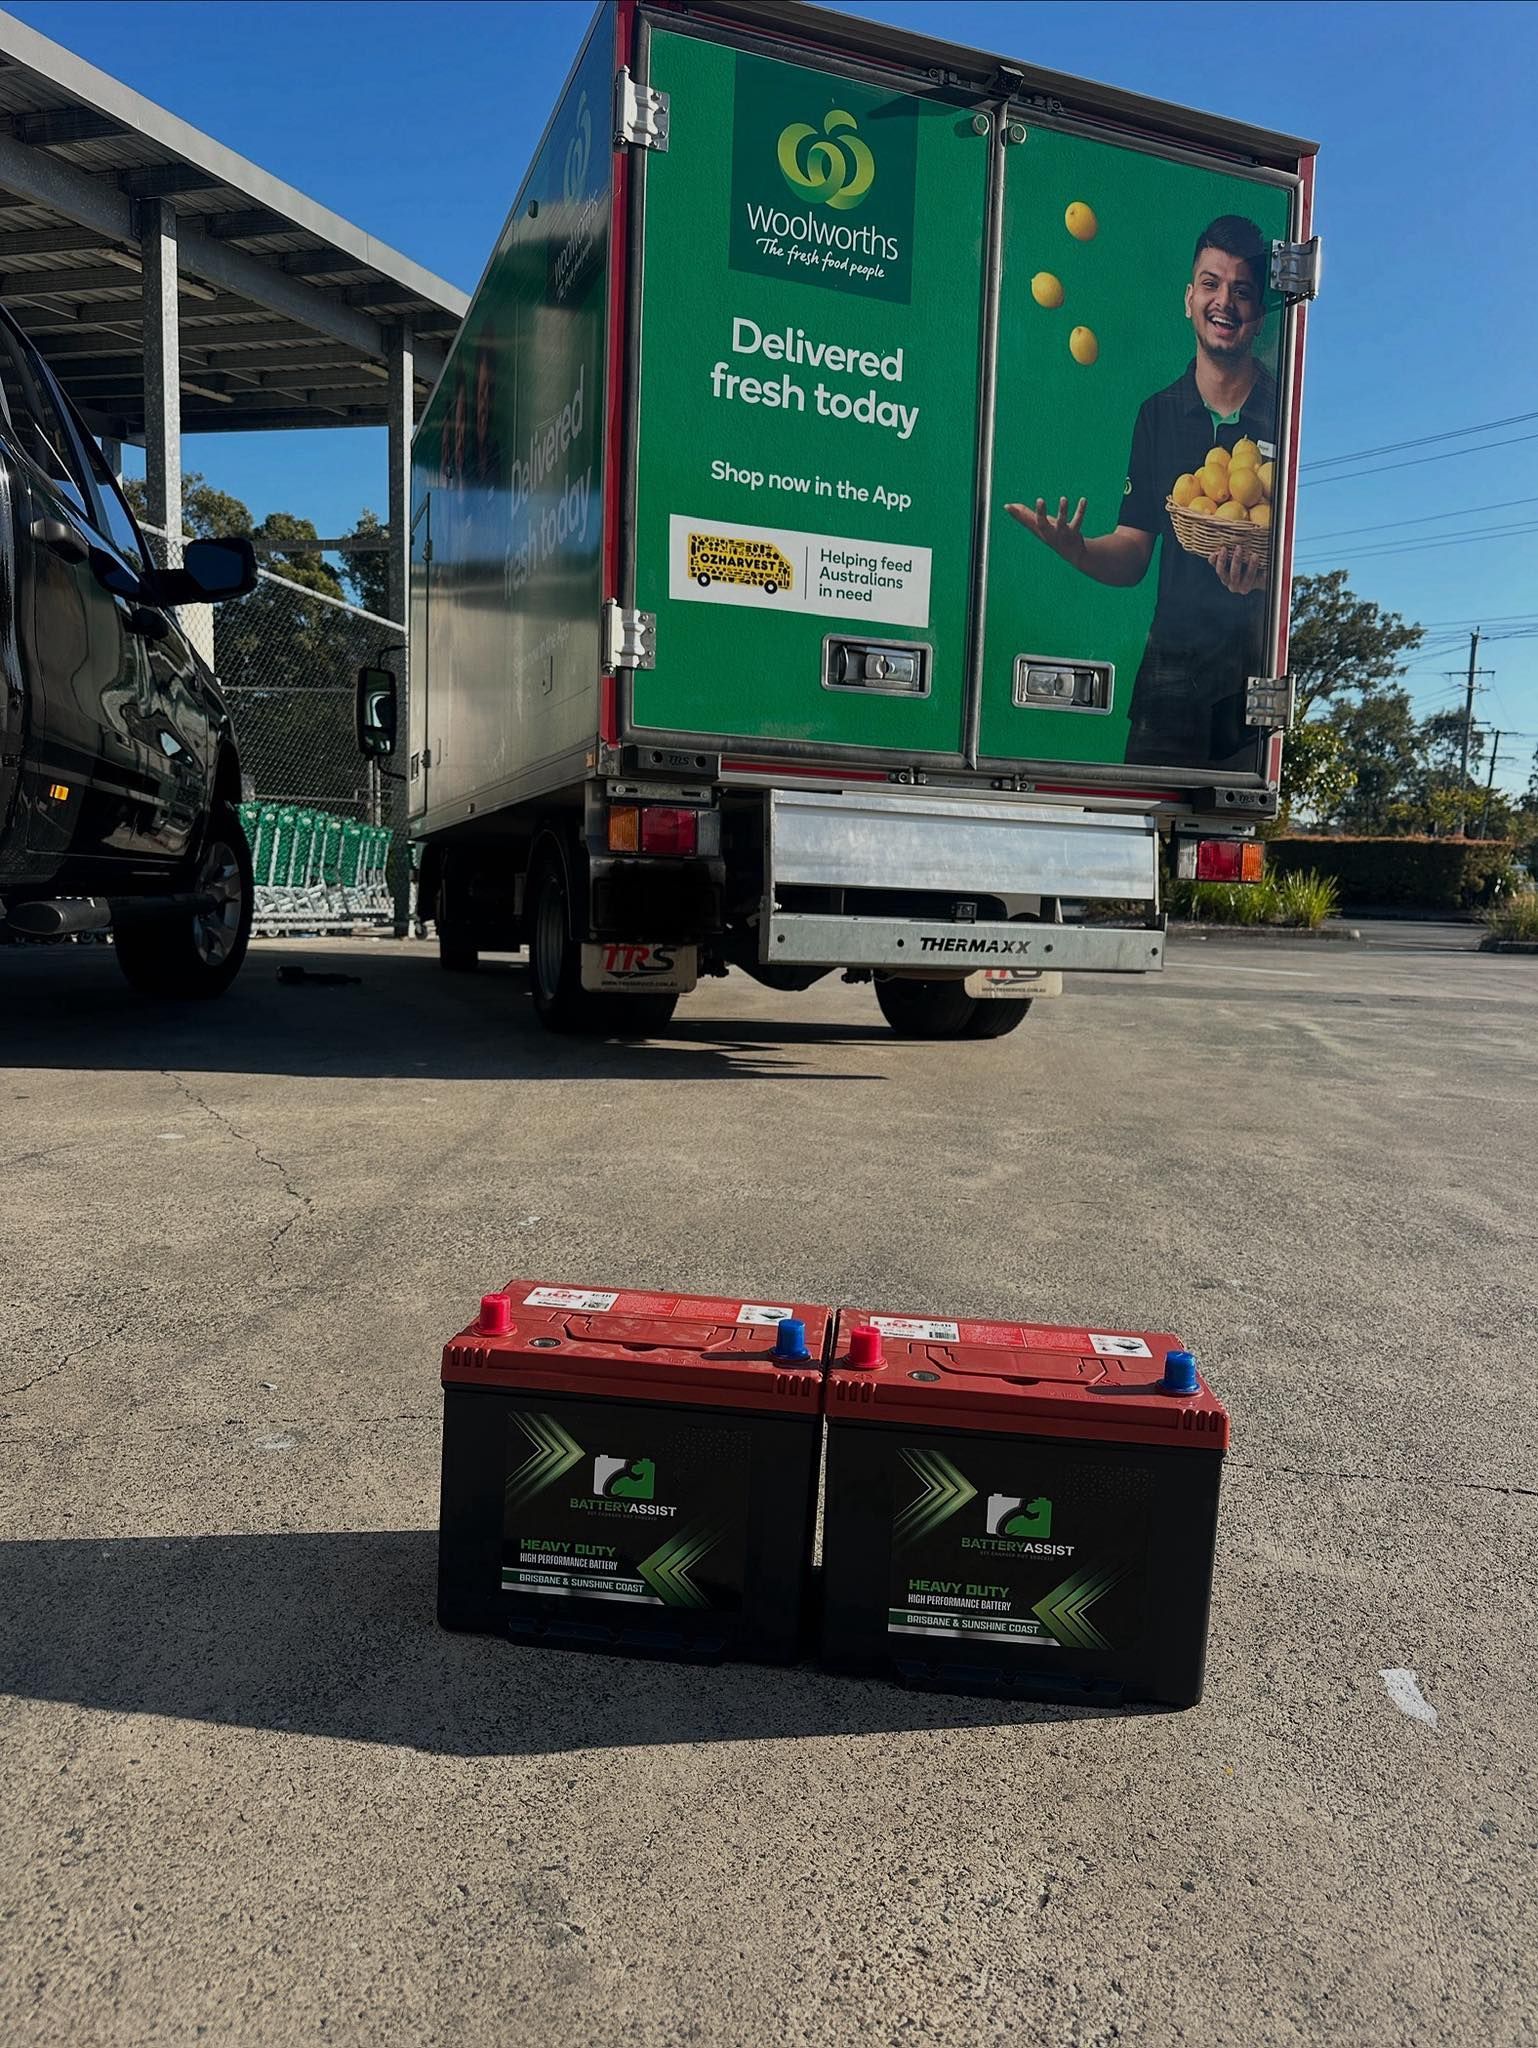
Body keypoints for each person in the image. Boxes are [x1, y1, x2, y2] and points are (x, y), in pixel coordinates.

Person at [1006, 215, 1279, 771]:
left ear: (1258, 316)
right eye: (1210, 283)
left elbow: (1299, 547)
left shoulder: (1285, 415)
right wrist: (1077, 550)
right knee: (1140, 828)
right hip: (1167, 678)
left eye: (1242, 290)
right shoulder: (1157, 414)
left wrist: (1264, 576)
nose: (1223, 300)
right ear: (1188, 298)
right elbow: (1133, 552)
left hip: (1250, 679)